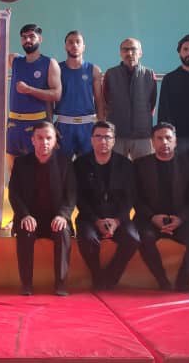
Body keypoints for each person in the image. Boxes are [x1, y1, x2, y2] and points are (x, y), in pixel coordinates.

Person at [133, 123, 189, 291]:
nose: (164, 142)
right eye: (159, 138)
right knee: (143, 238)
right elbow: (135, 198)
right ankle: (162, 281)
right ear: (152, 142)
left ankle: (183, 280)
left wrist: (180, 218)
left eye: (168, 138)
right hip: (149, 219)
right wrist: (152, 217)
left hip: (181, 219)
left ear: (175, 141)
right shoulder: (140, 165)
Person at [8, 121, 74, 296]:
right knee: (25, 230)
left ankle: (61, 284)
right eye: (40, 138)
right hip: (30, 218)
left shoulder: (65, 163)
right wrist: (24, 215)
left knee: (63, 232)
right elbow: (14, 194)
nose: (44, 142)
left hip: (56, 219)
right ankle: (26, 284)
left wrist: (63, 216)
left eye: (48, 138)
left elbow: (71, 195)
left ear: (54, 141)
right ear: (33, 140)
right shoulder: (21, 163)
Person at [73, 121, 140, 290]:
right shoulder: (79, 164)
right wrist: (96, 220)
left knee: (133, 239)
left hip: (118, 218)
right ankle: (97, 275)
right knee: (88, 239)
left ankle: (110, 277)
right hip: (89, 217)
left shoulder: (126, 165)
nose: (103, 141)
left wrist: (117, 221)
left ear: (114, 140)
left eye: (107, 137)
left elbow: (130, 197)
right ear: (91, 140)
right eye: (98, 136)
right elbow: (78, 197)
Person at [6, 24, 62, 173]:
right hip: (14, 124)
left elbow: (56, 94)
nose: (28, 40)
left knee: (39, 169)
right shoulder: (15, 60)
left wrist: (29, 90)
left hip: (37, 123)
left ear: (40, 39)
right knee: (13, 168)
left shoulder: (49, 63)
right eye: (24, 37)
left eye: (32, 36)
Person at [102, 38, 156, 159]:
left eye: (133, 49)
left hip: (142, 135)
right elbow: (105, 101)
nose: (129, 53)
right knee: (117, 169)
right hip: (117, 134)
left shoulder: (149, 74)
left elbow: (151, 103)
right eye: (125, 50)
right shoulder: (110, 74)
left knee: (144, 168)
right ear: (120, 53)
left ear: (140, 53)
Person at [54, 30, 103, 158]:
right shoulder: (56, 69)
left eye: (78, 42)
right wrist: (49, 124)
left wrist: (102, 126)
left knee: (88, 166)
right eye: (70, 42)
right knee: (62, 166)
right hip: (63, 126)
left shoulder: (94, 70)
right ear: (65, 46)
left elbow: (99, 100)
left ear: (83, 47)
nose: (74, 45)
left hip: (87, 126)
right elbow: (49, 99)